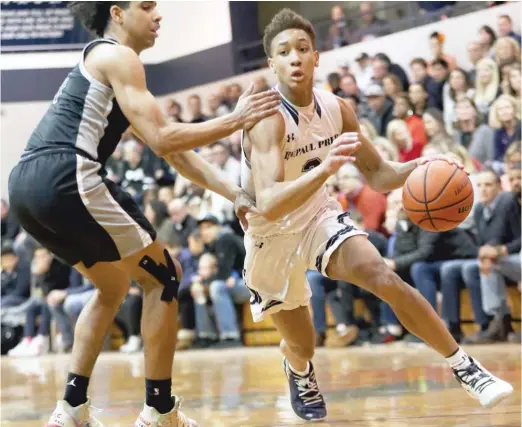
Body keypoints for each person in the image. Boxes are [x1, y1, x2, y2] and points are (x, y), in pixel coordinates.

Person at [7, 2, 279, 427]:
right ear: (117, 12)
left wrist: (234, 194)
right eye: (147, 5)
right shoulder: (119, 56)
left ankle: (71, 408)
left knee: (111, 286)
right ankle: (159, 410)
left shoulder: (104, 64)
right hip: (66, 174)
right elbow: (162, 135)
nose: (158, 15)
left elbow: (171, 151)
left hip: (25, 187)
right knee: (164, 277)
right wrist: (235, 119)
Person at [240, 9, 513, 422]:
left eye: (302, 49)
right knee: (303, 344)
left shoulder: (338, 109)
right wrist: (329, 170)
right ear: (272, 63)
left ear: (316, 57)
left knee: (384, 277)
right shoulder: (267, 119)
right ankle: (298, 370)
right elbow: (270, 201)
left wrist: (421, 165)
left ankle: (465, 367)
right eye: (284, 52)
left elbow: (380, 175)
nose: (294, 58)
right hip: (270, 232)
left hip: (317, 216)